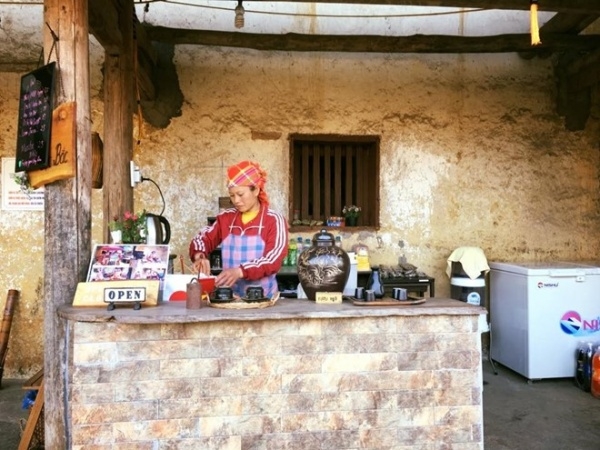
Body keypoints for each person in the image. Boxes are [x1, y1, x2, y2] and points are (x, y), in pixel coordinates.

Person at [189, 160, 288, 298]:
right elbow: (202, 238)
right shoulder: (226, 218)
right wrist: (199, 257)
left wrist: (240, 271)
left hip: (263, 299)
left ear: (256, 190)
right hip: (230, 298)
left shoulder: (273, 220)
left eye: (240, 194)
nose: (236, 200)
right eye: (232, 195)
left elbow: (273, 259)